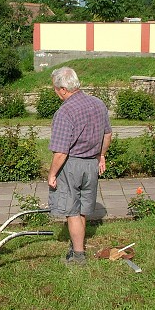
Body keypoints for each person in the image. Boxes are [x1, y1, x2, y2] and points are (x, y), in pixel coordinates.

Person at [48, 67, 112, 265]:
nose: (55, 93)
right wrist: (101, 155)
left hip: (71, 165)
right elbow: (107, 135)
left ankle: (78, 256)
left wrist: (52, 174)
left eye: (56, 89)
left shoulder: (65, 111)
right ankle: (79, 244)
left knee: (72, 211)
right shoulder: (98, 104)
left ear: (64, 89)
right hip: (91, 164)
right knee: (82, 208)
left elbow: (61, 152)